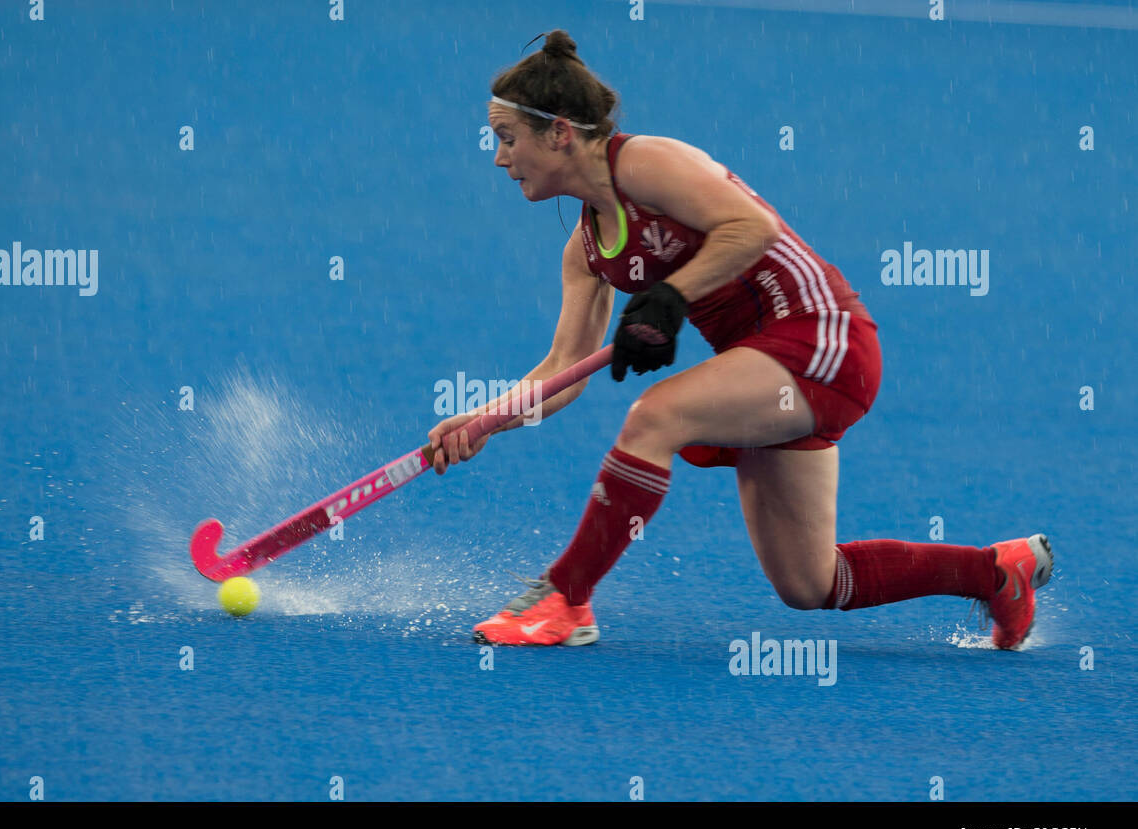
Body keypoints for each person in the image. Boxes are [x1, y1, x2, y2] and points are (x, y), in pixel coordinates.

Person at [426, 30, 1051, 649]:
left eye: (507, 139)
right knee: (810, 582)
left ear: (560, 131)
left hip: (822, 338)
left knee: (655, 416)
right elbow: (564, 368)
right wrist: (483, 421)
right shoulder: (586, 250)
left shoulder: (643, 163)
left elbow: (750, 227)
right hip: (764, 372)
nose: (499, 158)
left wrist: (671, 298)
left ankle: (566, 598)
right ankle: (998, 574)